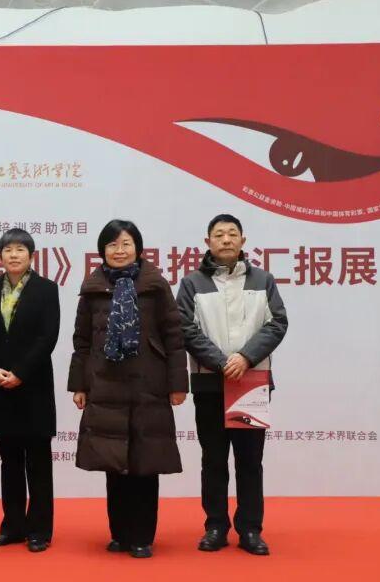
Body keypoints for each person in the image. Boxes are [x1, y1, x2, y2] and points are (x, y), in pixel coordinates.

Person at [68, 219, 188, 559]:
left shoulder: (155, 285)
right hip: (105, 385)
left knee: (144, 464)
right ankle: (119, 534)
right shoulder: (93, 288)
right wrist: (79, 385)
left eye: (125, 244)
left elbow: (174, 336)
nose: (119, 251)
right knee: (114, 462)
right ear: (102, 250)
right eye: (112, 245)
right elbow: (82, 341)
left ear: (138, 248)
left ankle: (142, 537)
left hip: (148, 384)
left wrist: (177, 384)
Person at [176, 214, 288, 556]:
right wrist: (221, 361)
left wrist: (245, 358)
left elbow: (277, 323)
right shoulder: (192, 283)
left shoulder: (263, 279)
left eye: (232, 234)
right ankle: (215, 526)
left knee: (250, 460)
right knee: (213, 459)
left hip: (251, 383)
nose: (226, 240)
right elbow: (185, 328)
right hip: (210, 383)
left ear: (242, 240)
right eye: (219, 235)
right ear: (207, 242)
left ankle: (251, 529)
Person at [0, 228, 61, 553]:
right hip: (0, 387)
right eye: (8, 250)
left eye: (20, 250)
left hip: (34, 386)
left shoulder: (46, 289)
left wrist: (21, 373)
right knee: (9, 462)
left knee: (38, 462)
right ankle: (12, 526)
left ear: (31, 255)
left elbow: (48, 337)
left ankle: (39, 530)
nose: (13, 255)